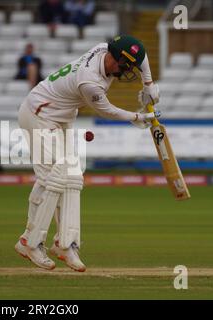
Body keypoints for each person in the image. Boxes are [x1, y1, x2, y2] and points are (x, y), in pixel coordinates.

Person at [14, 35, 160, 272]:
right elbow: (107, 111)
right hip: (38, 114)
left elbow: (140, 57)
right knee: (53, 178)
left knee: (72, 178)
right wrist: (138, 117)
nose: (127, 70)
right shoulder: (89, 81)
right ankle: (30, 242)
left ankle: (66, 243)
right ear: (113, 58)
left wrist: (149, 84)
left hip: (62, 115)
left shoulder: (105, 48)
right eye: (125, 65)